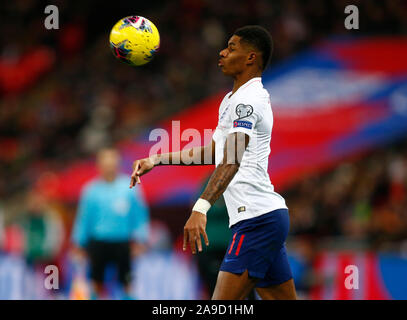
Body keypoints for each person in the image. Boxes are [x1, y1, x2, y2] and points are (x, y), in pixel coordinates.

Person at [130, 25, 297, 300]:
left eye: (231, 48)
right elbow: (214, 153)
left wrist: (200, 207)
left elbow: (231, 159)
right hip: (264, 218)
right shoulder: (231, 100)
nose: (222, 52)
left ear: (251, 58)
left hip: (256, 220)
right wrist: (157, 158)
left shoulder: (249, 100)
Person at [72, 147, 150, 299]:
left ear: (118, 164)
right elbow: (83, 219)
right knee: (96, 282)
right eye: (105, 164)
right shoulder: (91, 190)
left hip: (122, 242)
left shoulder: (130, 187)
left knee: (127, 283)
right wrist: (78, 243)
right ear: (99, 166)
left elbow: (140, 216)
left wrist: (141, 239)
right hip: (98, 242)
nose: (108, 168)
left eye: (111, 164)